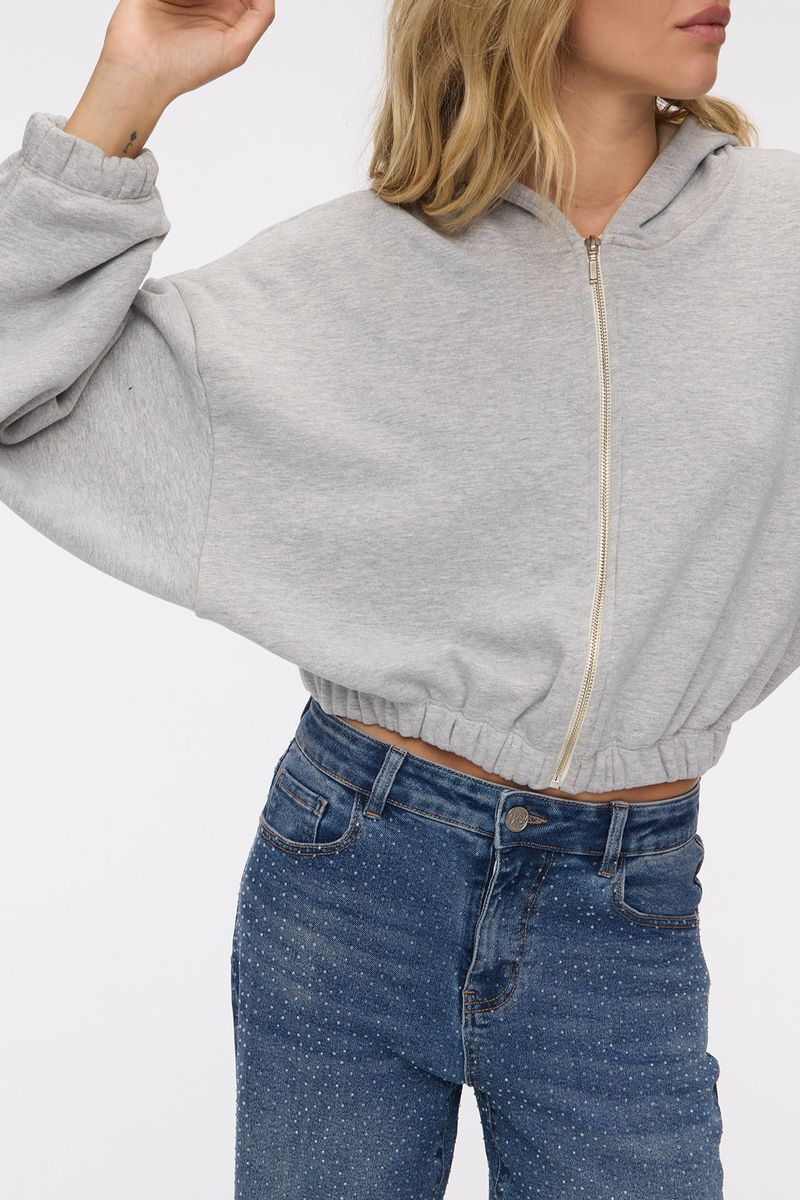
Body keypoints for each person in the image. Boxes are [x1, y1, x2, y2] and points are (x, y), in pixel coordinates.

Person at [2, 1, 794, 1196]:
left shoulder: (780, 239)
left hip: (624, 903)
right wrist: (131, 84)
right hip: (355, 873)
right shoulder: (349, 269)